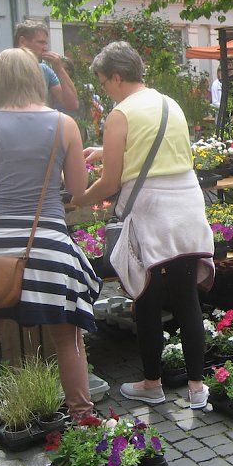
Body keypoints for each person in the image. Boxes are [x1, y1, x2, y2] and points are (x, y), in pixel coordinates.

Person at [0, 48, 100, 456]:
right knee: (67, 335)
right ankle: (82, 420)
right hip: (48, 240)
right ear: (39, 79)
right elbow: (75, 188)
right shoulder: (64, 124)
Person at [72, 41, 215, 409]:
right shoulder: (170, 104)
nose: (105, 89)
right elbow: (160, 146)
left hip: (151, 211)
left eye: (104, 82)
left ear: (117, 77)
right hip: (186, 206)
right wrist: (106, 150)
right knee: (186, 298)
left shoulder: (120, 115)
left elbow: (109, 182)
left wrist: (78, 200)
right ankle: (197, 388)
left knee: (147, 298)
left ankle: (152, 384)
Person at [0, 21, 79, 120]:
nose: (45, 48)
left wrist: (59, 69)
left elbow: (72, 104)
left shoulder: (44, 70)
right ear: (22, 41)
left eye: (46, 43)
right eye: (41, 42)